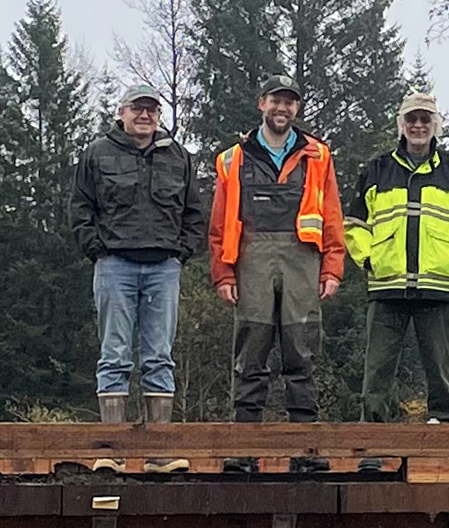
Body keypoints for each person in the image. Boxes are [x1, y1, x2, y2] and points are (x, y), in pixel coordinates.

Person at [346, 90, 449, 423]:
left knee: (441, 370)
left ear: (436, 124)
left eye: (425, 118)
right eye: (412, 118)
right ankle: (371, 442)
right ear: (401, 124)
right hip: (386, 285)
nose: (418, 125)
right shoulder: (377, 168)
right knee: (377, 371)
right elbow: (354, 224)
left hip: (438, 287)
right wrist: (370, 259)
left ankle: (445, 429)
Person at [209, 73, 344, 424]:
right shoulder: (232, 159)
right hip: (252, 259)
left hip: (303, 260)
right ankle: (244, 448)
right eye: (275, 100)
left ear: (297, 107)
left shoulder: (318, 156)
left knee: (301, 350)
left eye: (289, 101)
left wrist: (332, 267)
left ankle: (305, 447)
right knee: (251, 349)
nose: (282, 107)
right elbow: (220, 224)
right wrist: (223, 273)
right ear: (262, 104)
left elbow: (331, 214)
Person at [71, 84, 205, 424]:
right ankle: (112, 449)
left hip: (164, 268)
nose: (144, 115)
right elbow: (80, 206)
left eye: (151, 109)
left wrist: (181, 254)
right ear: (122, 112)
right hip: (115, 265)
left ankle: (158, 451)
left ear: (159, 115)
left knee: (159, 357)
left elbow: (195, 212)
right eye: (137, 108)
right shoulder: (97, 152)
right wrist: (96, 250)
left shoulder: (179, 156)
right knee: (114, 355)